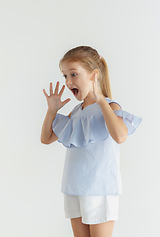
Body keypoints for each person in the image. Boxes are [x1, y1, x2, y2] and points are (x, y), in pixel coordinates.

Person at [41, 46, 142, 237]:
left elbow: (120, 136)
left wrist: (102, 101)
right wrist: (52, 110)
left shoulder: (109, 106)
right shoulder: (77, 112)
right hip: (74, 187)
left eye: (73, 74)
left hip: (100, 188)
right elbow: (46, 138)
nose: (68, 81)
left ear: (93, 75)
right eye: (65, 76)